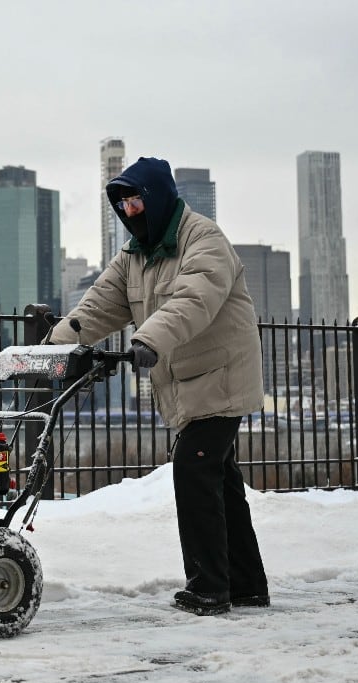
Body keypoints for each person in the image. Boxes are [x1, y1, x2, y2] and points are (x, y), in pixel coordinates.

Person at [48, 157, 269, 616]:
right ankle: (247, 584)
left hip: (222, 377)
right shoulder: (135, 254)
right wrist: (54, 347)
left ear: (158, 197)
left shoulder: (204, 240)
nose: (129, 211)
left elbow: (194, 299)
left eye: (136, 200)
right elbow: (99, 306)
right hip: (188, 381)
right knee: (220, 479)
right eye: (122, 203)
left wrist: (148, 338)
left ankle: (209, 587)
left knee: (193, 467)